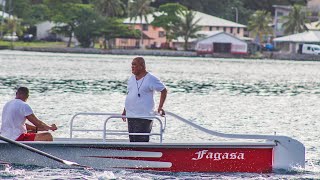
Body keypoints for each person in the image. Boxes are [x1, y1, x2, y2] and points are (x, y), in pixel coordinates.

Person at [122, 57, 167, 142]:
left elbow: (163, 90)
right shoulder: (131, 79)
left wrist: (160, 107)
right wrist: (125, 110)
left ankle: (142, 154)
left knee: (141, 142)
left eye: (134, 64)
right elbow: (130, 94)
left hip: (144, 117)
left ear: (141, 66)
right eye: (132, 64)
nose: (132, 67)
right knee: (132, 141)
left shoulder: (151, 79)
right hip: (131, 115)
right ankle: (134, 155)